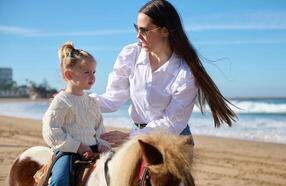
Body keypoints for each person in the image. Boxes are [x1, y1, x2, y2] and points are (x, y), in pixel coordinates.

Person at [92, 0, 236, 138]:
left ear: (165, 31)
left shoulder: (185, 73)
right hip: (138, 133)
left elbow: (171, 123)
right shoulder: (130, 54)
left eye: (144, 30)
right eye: (137, 28)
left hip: (172, 141)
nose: (138, 36)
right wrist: (76, 99)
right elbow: (113, 99)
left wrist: (131, 137)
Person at [42, 42, 111, 186]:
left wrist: (102, 145)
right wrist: (78, 147)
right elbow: (51, 132)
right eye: (87, 72)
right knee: (60, 181)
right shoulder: (61, 101)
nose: (92, 77)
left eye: (94, 72)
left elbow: (100, 129)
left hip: (93, 150)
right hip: (68, 151)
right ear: (69, 75)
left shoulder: (92, 102)